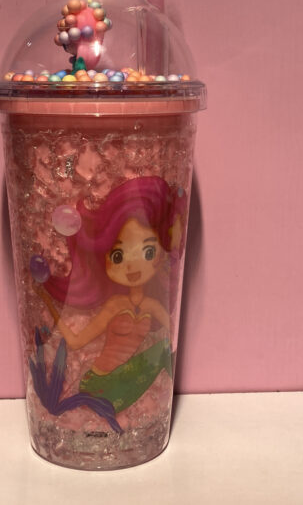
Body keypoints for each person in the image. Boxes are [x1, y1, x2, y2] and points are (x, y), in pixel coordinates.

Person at [33, 177, 187, 426]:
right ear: (102, 258)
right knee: (158, 355)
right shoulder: (115, 306)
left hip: (127, 380)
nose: (133, 265)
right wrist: (48, 302)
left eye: (148, 251)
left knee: (161, 352)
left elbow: (170, 336)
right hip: (100, 384)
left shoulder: (152, 306)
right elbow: (76, 342)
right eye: (118, 255)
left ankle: (145, 419)